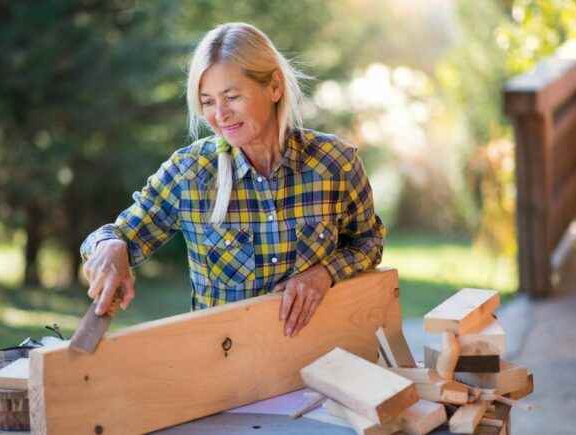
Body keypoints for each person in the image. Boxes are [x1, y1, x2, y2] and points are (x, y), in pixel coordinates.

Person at [80, 22, 386, 338]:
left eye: (232, 96)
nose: (220, 115)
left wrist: (324, 273)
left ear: (275, 87)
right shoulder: (190, 173)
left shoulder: (334, 163)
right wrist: (110, 245)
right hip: (224, 372)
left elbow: (369, 242)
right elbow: (114, 235)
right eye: (208, 101)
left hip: (317, 361)